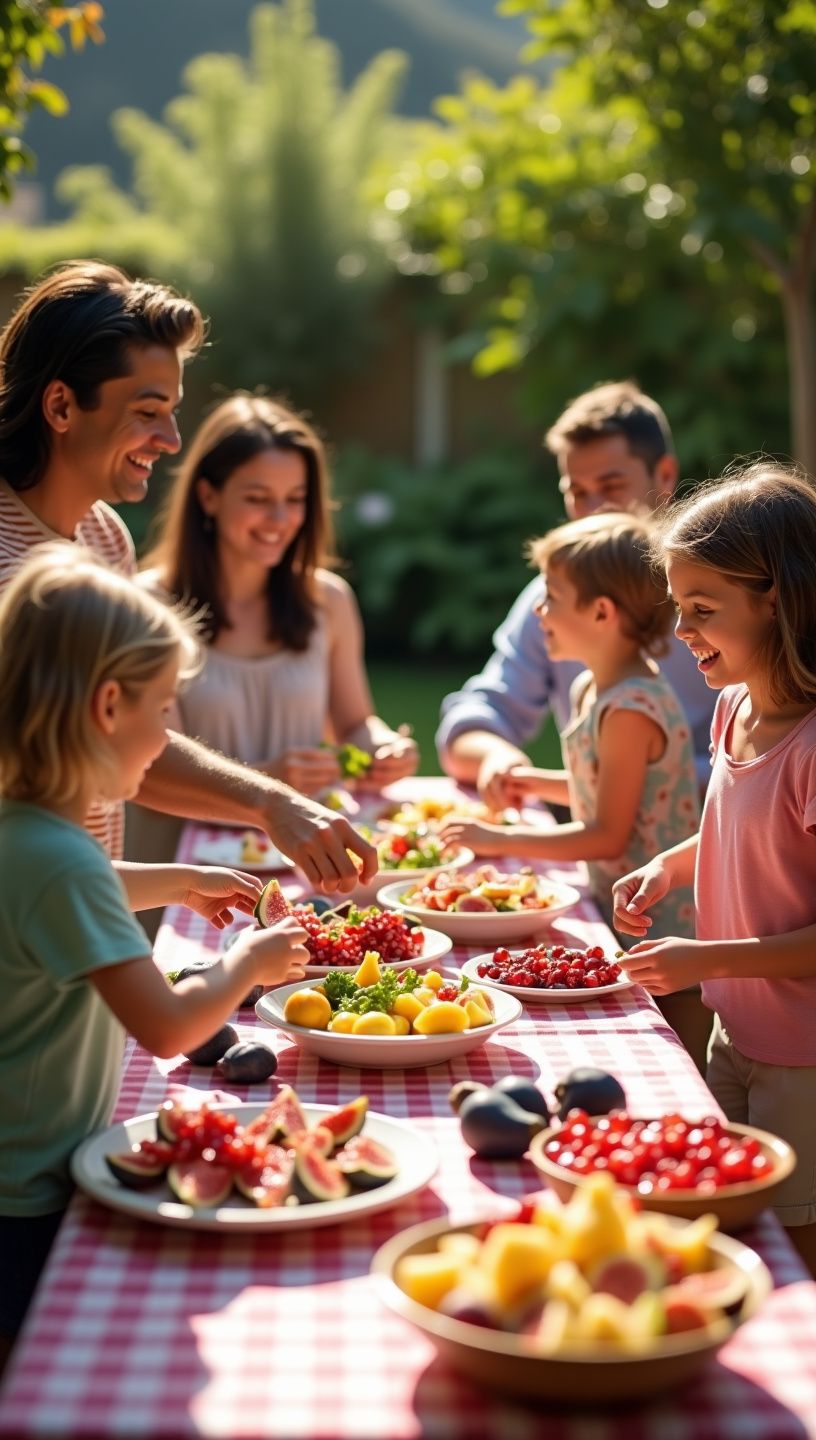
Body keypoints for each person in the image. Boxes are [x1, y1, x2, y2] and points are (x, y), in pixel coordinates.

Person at [0, 547, 310, 1353]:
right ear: (108, 706)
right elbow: (169, 1028)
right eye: (163, 711)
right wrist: (250, 963)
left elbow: (87, 883)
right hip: (23, 1192)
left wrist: (180, 880)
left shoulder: (27, 832)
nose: (167, 735)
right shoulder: (57, 857)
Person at [0, 261, 376, 892]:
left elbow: (126, 740)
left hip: (87, 917)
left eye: (172, 412)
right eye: (148, 412)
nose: (172, 440)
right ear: (62, 405)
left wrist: (272, 802)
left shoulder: (103, 536)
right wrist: (271, 799)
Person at [612, 463, 816, 1276]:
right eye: (679, 609)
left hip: (801, 1058)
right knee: (722, 1231)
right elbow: (738, 832)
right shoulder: (733, 707)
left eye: (704, 611)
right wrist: (670, 865)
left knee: (790, 1249)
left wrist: (706, 959)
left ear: (779, 600)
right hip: (736, 1029)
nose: (681, 633)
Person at [436, 381, 716, 805]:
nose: (592, 510)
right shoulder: (550, 602)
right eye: (577, 493)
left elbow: (777, 753)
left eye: (612, 486)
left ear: (665, 476)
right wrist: (498, 758)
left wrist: (652, 777)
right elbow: (472, 720)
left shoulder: (721, 596)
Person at [440, 510, 700, 943]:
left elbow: (607, 836)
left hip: (656, 925)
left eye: (552, 596)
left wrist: (501, 838)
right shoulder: (591, 688)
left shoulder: (629, 711)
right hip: (615, 905)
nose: (539, 610)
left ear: (601, 612)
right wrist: (533, 783)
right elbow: (605, 790)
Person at [138, 393, 418, 794]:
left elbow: (355, 725)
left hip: (304, 851)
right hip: (186, 854)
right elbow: (153, 768)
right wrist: (268, 781)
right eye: (258, 499)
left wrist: (383, 747)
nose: (280, 520)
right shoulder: (147, 607)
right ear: (208, 496)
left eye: (295, 500)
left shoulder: (329, 600)